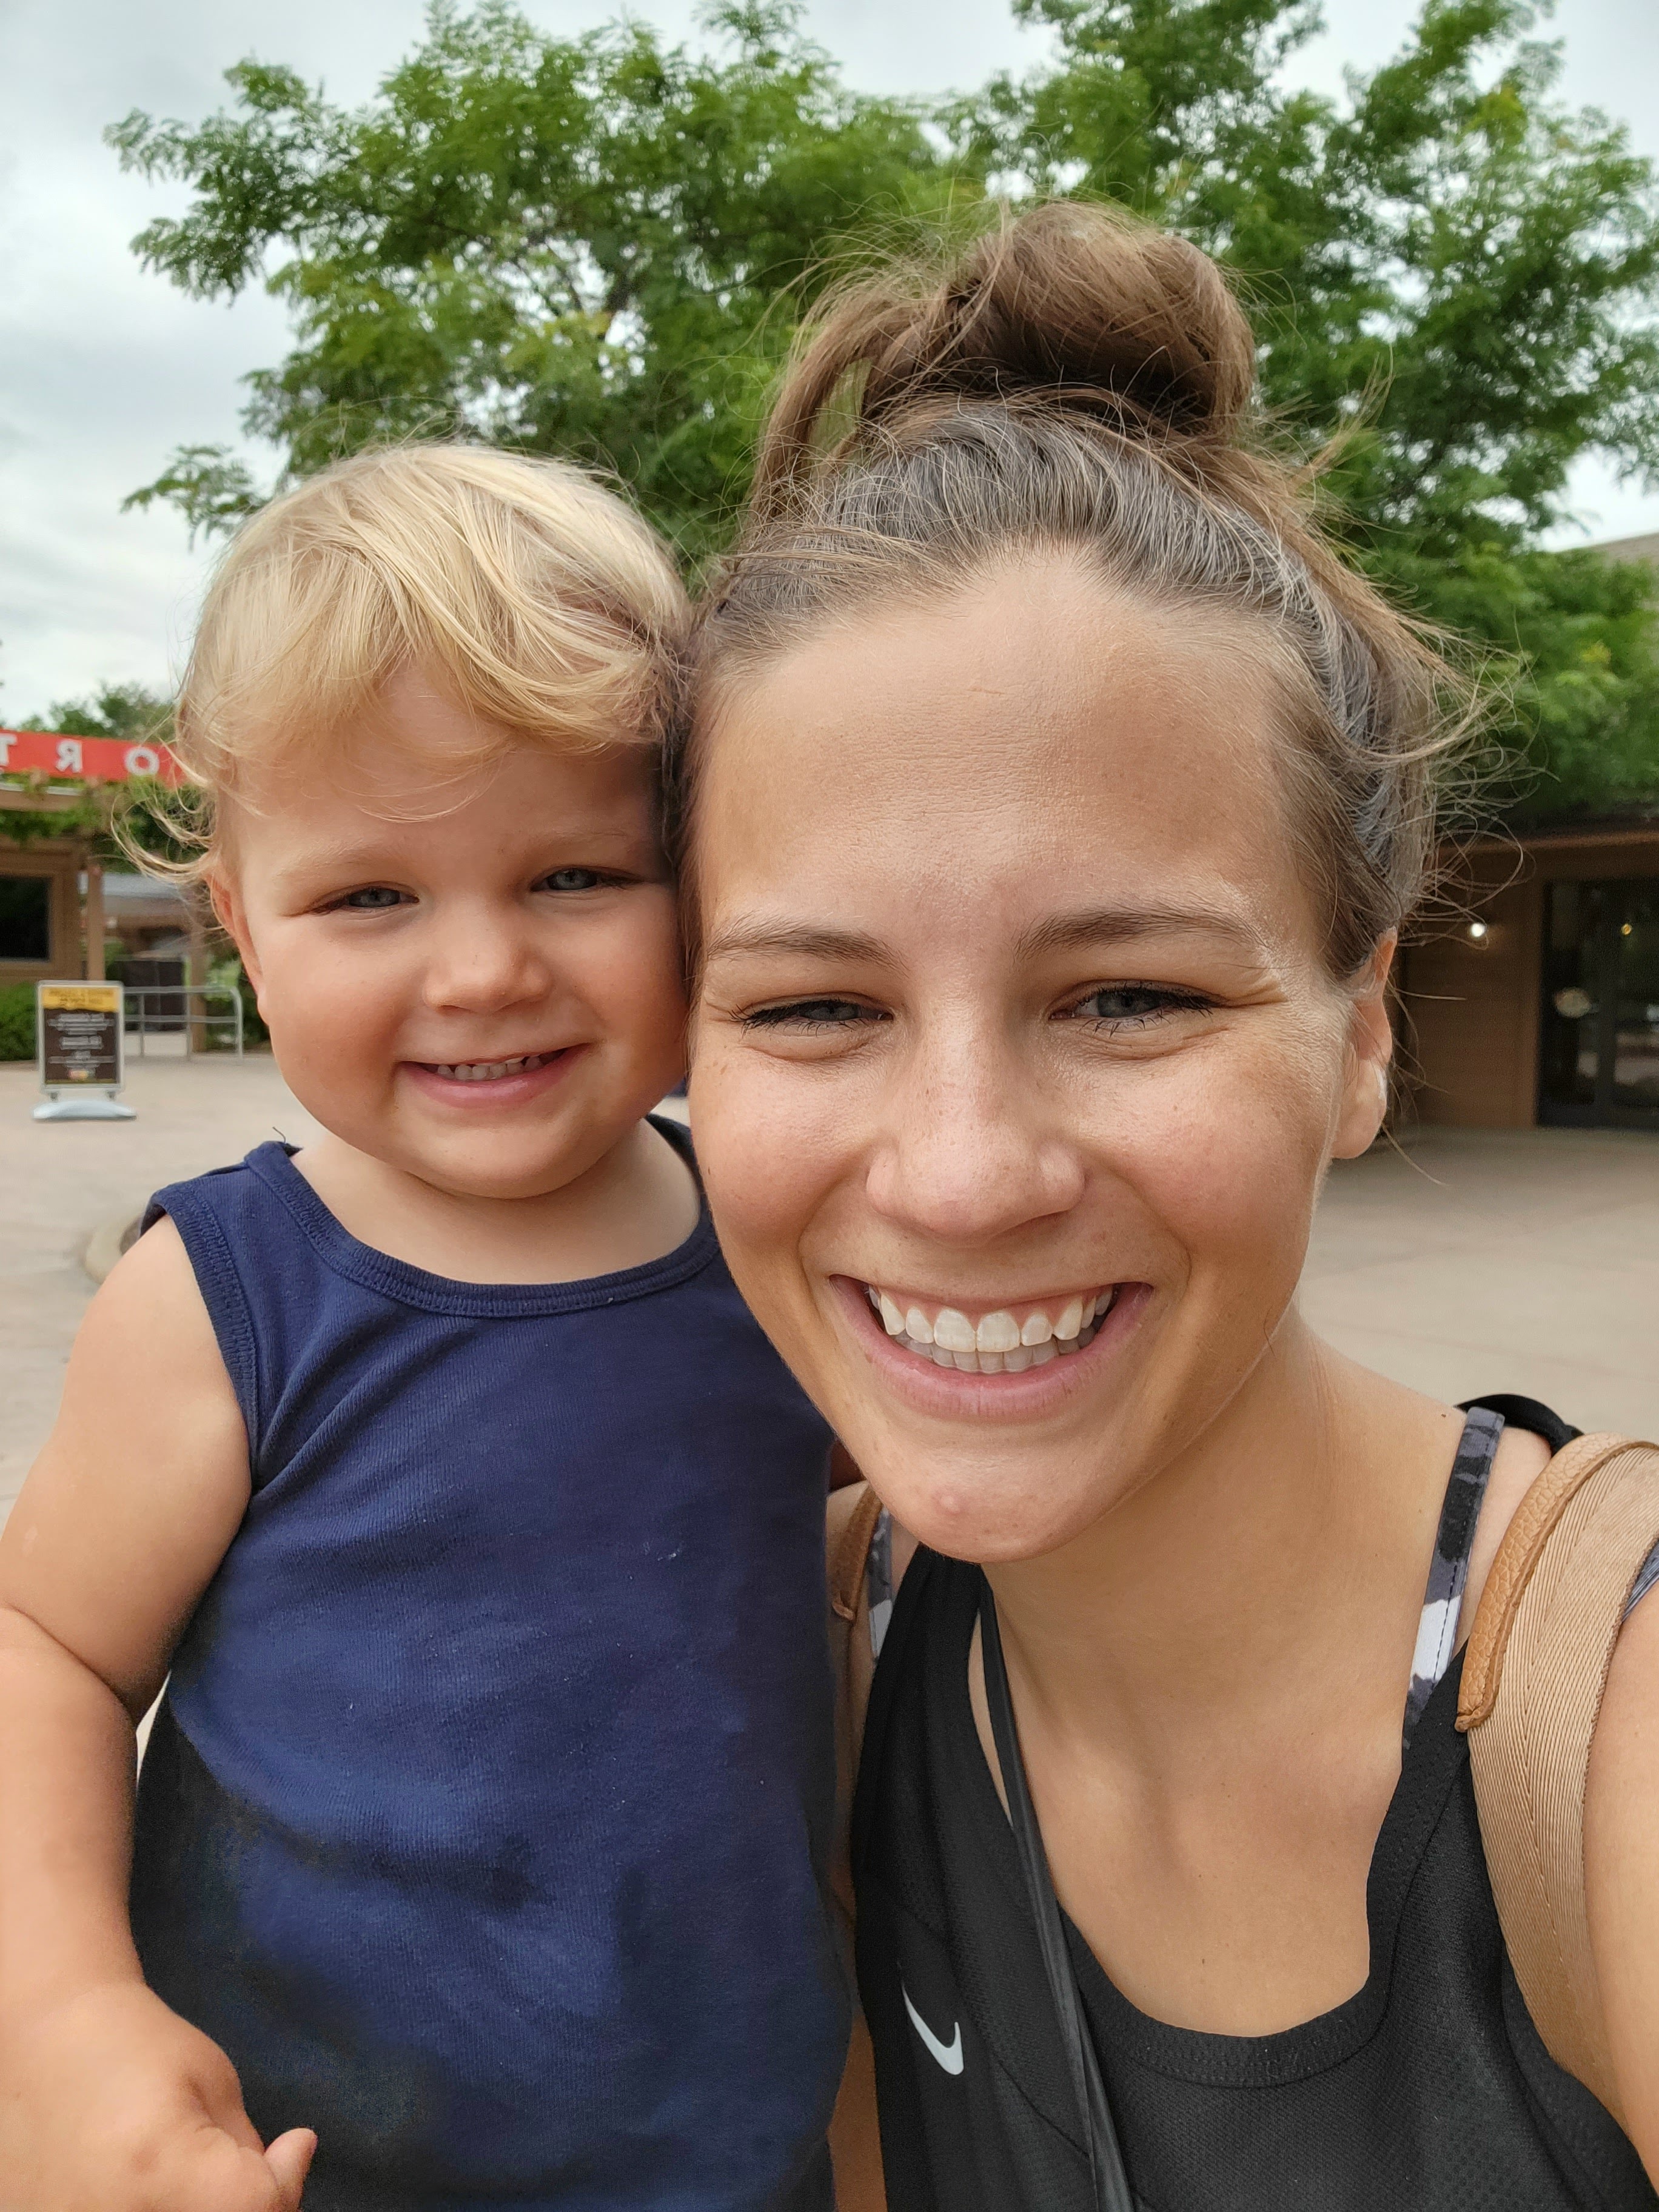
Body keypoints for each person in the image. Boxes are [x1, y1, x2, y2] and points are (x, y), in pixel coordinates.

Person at [675, 203, 1659, 2208]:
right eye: (813, 1006)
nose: (961, 1175)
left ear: (1362, 1036)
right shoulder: (792, 1661)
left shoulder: (1615, 1747)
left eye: (1129, 997)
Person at [0, 446, 847, 2212]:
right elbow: (47, 1655)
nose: (480, 974)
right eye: (370, 897)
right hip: (295, 2158)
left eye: (577, 876)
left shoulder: (781, 1242)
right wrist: (65, 2017)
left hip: (736, 2154)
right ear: (242, 930)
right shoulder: (227, 1294)